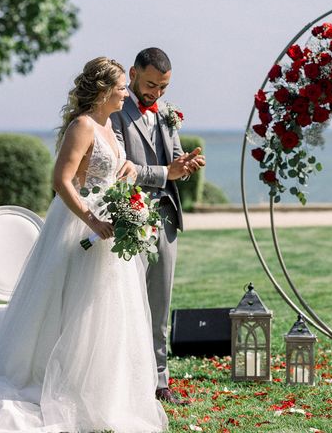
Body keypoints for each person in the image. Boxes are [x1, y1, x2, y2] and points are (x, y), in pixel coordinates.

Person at [0, 57, 169, 432]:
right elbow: (62, 180)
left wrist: (128, 170)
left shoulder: (108, 125)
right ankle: (64, 384)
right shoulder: (82, 125)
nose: (124, 93)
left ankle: (101, 389)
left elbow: (109, 171)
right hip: (79, 229)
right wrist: (92, 220)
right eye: (120, 88)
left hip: (107, 231)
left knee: (106, 312)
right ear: (103, 91)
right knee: (74, 309)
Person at [111, 47, 205, 404]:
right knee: (124, 303)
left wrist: (185, 163)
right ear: (133, 73)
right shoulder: (115, 110)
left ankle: (159, 382)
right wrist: (168, 172)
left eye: (164, 87)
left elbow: (174, 158)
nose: (157, 94)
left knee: (159, 304)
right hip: (129, 218)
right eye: (151, 85)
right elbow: (122, 168)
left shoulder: (165, 112)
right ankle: (124, 380)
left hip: (165, 217)